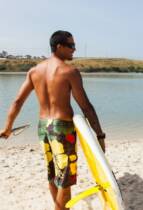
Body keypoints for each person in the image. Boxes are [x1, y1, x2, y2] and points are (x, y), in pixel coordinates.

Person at [0, 30, 106, 210]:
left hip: (44, 127)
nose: (74, 49)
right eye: (71, 46)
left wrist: (7, 127)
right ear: (59, 47)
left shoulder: (34, 71)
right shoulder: (70, 71)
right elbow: (86, 106)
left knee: (53, 174)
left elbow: (17, 101)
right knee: (65, 179)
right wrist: (100, 135)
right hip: (62, 130)